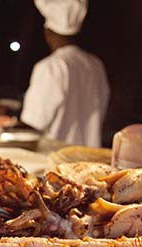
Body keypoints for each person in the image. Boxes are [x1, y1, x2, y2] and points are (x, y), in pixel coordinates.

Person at [20, 0, 109, 148]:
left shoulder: (51, 67)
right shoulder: (95, 64)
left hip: (56, 159)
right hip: (89, 159)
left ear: (47, 32)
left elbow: (34, 122)